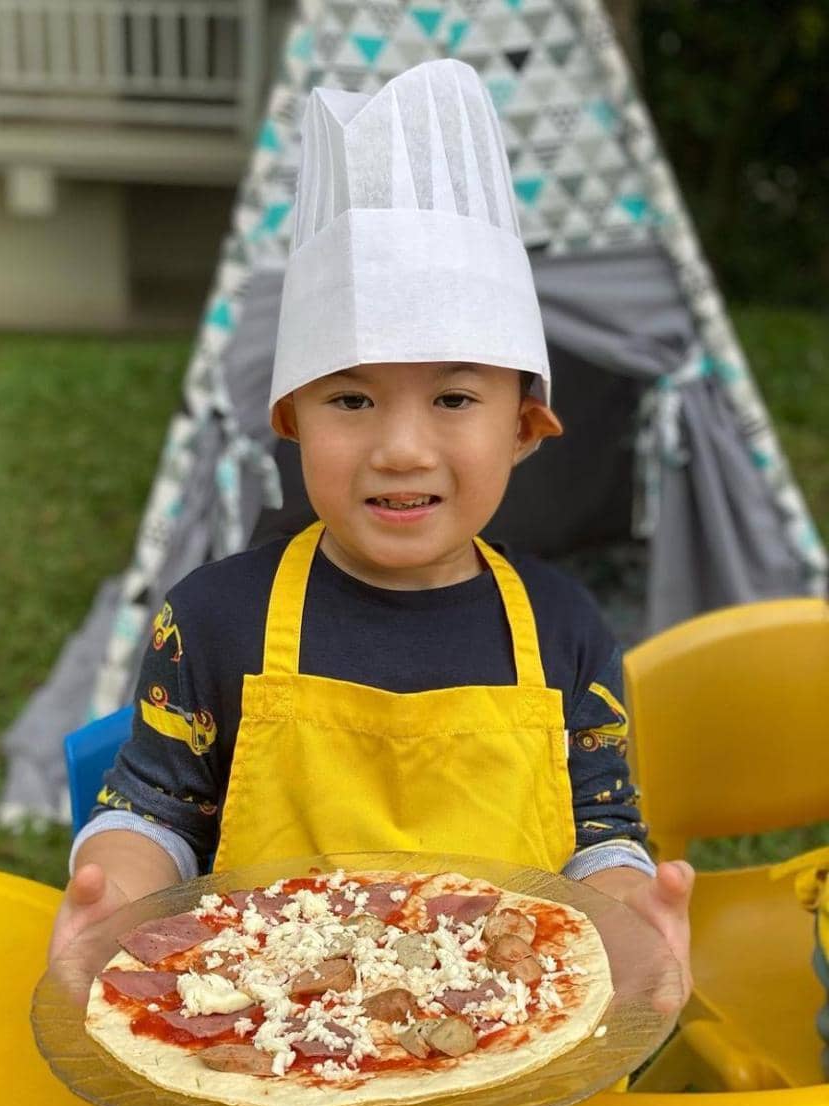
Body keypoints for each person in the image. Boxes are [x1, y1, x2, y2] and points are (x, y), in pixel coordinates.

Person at [49, 60, 692, 1002]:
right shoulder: (213, 619)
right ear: (291, 421)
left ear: (524, 427)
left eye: (454, 399)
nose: (400, 449)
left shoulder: (568, 631)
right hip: (270, 1041)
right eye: (351, 400)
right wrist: (114, 893)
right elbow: (153, 810)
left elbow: (601, 833)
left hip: (509, 1040)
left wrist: (632, 913)